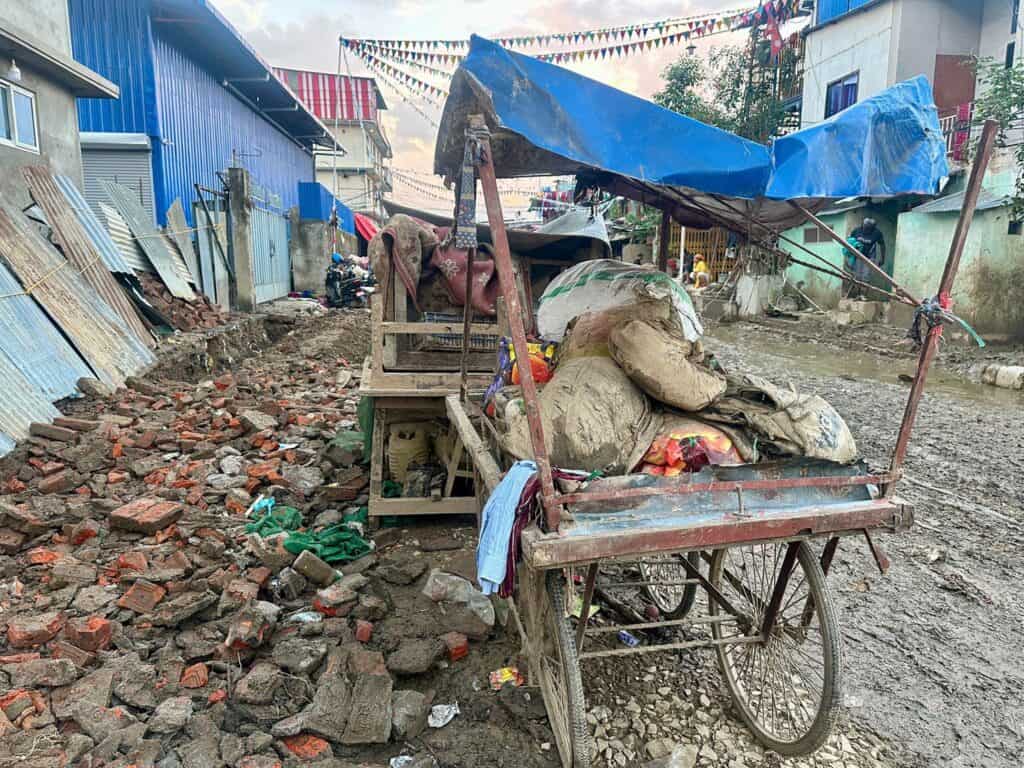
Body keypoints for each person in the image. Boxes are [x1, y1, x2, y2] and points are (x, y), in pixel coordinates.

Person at [845, 218, 886, 299]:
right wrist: (848, 257)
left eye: (868, 229)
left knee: (866, 277)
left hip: (870, 257)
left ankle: (863, 295)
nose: (866, 230)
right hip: (857, 256)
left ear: (873, 228)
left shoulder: (877, 233)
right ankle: (857, 294)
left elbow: (882, 245)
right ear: (862, 225)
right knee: (857, 276)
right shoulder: (856, 231)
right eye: (865, 228)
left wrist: (882, 258)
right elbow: (849, 242)